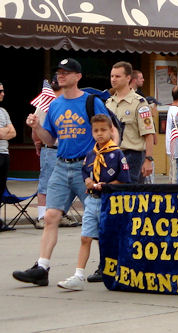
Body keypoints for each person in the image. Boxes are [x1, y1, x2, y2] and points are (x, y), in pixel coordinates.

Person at [13, 58, 116, 286]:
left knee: (97, 217)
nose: (61, 75)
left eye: (66, 72)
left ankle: (107, 264)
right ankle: (42, 267)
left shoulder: (91, 102)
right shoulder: (55, 105)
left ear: (78, 76)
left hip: (86, 167)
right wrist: (37, 128)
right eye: (59, 72)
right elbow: (50, 139)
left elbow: (110, 130)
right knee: (51, 216)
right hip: (61, 164)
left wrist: (107, 158)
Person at [57, 114, 130, 291]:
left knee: (112, 239)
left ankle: (120, 271)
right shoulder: (91, 154)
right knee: (85, 237)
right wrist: (88, 182)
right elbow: (85, 172)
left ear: (111, 131)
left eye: (103, 130)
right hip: (92, 201)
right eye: (96, 131)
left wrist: (108, 185)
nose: (99, 134)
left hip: (110, 203)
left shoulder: (117, 154)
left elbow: (125, 179)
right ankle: (78, 275)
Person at [32, 76, 79, 229]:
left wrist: (37, 143)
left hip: (66, 149)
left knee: (69, 184)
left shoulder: (66, 102)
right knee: (46, 184)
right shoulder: (47, 103)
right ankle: (41, 217)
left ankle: (60, 213)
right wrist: (39, 143)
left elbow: (34, 130)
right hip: (52, 149)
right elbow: (35, 127)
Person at [106, 61, 155, 184]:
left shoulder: (139, 102)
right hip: (112, 154)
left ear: (128, 78)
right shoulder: (108, 103)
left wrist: (148, 159)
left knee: (132, 195)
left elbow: (148, 133)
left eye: (118, 76)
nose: (113, 79)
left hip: (133, 156)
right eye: (112, 76)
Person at [0, 81, 16, 231]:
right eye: (0, 91)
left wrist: (4, 132)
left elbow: (13, 132)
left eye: (3, 90)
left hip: (4, 153)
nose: (3, 94)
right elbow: (5, 132)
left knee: (1, 188)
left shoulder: (3, 111)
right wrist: (5, 132)